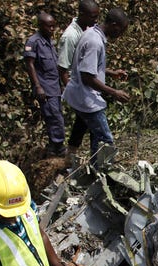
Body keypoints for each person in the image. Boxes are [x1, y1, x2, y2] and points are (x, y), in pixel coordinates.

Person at [62, 7, 130, 163]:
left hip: (78, 94)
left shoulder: (91, 33)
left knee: (85, 128)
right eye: (121, 30)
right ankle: (102, 175)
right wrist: (114, 92)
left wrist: (112, 72)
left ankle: (72, 161)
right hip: (86, 97)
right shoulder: (95, 42)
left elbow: (87, 65)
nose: (121, 35)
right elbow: (87, 77)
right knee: (105, 140)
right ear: (113, 25)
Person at [58, 0, 101, 159]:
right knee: (94, 123)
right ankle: (93, 160)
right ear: (81, 14)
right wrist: (75, 93)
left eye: (97, 17)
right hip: (78, 86)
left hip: (86, 85)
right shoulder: (70, 36)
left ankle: (72, 154)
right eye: (92, 16)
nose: (95, 20)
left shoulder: (87, 30)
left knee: (83, 122)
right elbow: (63, 68)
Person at [24, 11, 66, 157]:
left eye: (54, 26)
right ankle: (57, 148)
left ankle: (56, 147)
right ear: (41, 25)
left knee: (57, 116)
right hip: (45, 88)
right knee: (54, 118)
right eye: (49, 26)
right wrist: (38, 86)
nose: (52, 29)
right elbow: (30, 65)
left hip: (55, 87)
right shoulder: (34, 42)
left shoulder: (49, 42)